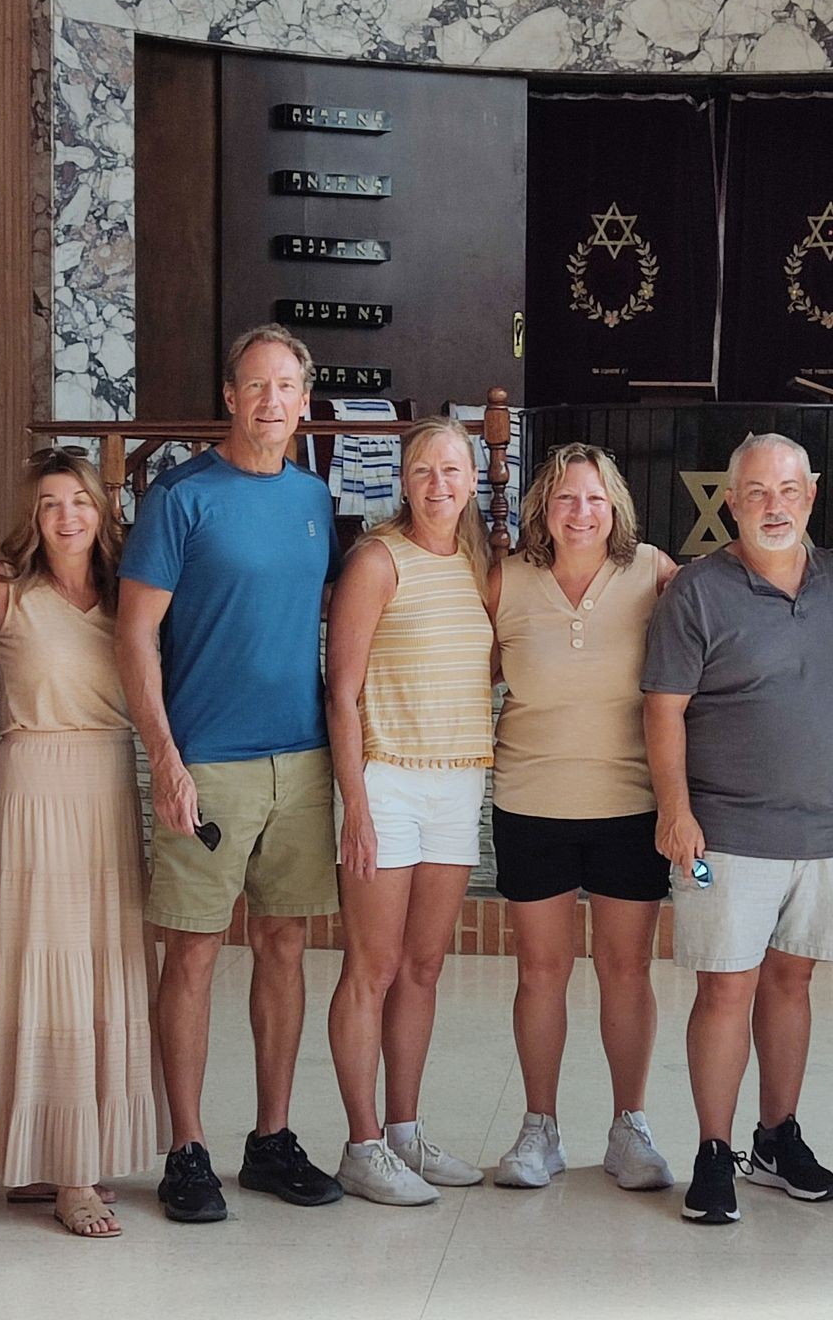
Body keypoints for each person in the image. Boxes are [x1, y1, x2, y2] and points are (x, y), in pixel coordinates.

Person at [116, 324, 344, 1222]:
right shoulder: (180, 498)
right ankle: (187, 1148)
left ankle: (271, 1139)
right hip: (207, 762)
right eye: (256, 385)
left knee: (285, 946)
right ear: (230, 394)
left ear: (304, 400)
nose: (271, 401)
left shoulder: (314, 500)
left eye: (287, 386)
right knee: (196, 951)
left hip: (302, 759)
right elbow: (135, 636)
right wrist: (165, 759)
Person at [643, 433, 833, 1226]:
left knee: (792, 983)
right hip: (721, 839)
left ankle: (777, 1138)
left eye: (786, 491)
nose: (772, 506)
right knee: (724, 987)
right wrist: (675, 811)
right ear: (729, 502)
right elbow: (664, 709)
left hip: (825, 832)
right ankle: (715, 1151)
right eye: (754, 493)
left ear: (810, 496)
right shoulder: (697, 592)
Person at [0, 448, 169, 1237]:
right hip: (32, 780)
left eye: (79, 501)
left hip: (107, 781)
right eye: (50, 504)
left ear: (101, 509)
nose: (67, 516)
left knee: (101, 960)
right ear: (34, 516)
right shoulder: (3, 590)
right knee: (43, 965)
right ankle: (67, 1174)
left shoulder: (130, 596)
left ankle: (62, 1151)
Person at [488, 443, 680, 1191]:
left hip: (630, 804)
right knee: (541, 971)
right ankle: (540, 1129)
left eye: (595, 499)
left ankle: (629, 1127)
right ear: (543, 507)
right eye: (566, 498)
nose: (581, 512)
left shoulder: (652, 571)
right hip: (530, 801)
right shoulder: (505, 580)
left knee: (626, 970)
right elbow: (467, 671)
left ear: (616, 508)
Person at [325, 416, 495, 1206]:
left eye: (452, 472)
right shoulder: (375, 560)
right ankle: (361, 1145)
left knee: (423, 969)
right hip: (386, 781)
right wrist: (356, 803)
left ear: (471, 481)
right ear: (402, 479)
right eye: (424, 471)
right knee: (374, 967)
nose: (438, 485)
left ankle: (404, 1132)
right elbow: (342, 691)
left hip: (458, 779)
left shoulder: (477, 561)